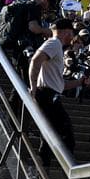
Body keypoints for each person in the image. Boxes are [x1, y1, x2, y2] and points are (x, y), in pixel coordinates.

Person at [29, 17, 77, 166]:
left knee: (54, 134)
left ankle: (44, 167)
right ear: (65, 31)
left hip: (52, 94)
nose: (73, 37)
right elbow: (35, 61)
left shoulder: (57, 47)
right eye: (71, 32)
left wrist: (80, 82)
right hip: (47, 95)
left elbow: (60, 85)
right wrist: (33, 88)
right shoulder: (54, 43)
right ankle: (66, 172)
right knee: (64, 134)